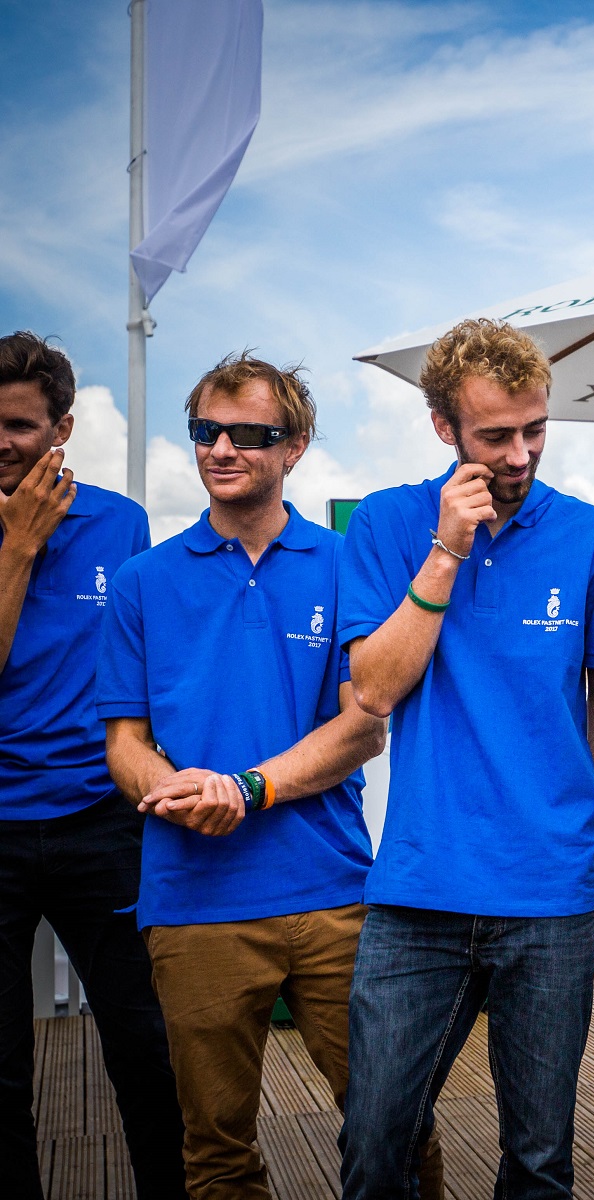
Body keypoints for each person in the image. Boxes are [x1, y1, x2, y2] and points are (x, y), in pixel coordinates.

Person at [99, 353, 438, 1200]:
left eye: (250, 433)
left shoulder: (342, 563)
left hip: (334, 896)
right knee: (215, 1150)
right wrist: (168, 791)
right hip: (193, 904)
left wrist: (247, 788)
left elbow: (365, 725)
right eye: (207, 431)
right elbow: (123, 743)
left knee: (394, 1123)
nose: (223, 448)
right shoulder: (143, 582)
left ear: (295, 446)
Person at [335, 318, 594, 1200]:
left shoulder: (593, 535)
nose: (520, 453)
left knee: (540, 1160)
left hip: (552, 889)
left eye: (535, 430)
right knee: (375, 1138)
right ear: (444, 428)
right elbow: (375, 690)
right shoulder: (391, 523)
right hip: (420, 887)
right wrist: (447, 548)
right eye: (496, 434)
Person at [0, 331, 186, 1200]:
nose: (0, 441)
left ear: (62, 428)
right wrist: (18, 548)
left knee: (143, 1043)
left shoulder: (122, 524)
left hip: (101, 820)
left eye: (18, 424)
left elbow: (147, 672)